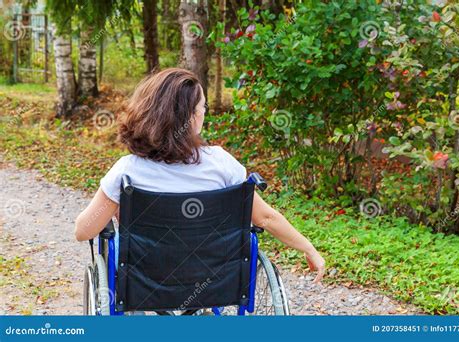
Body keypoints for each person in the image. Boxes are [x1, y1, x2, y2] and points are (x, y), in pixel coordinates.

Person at [74, 68, 325, 283]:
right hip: (214, 278)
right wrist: (308, 247)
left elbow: (84, 231)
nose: (204, 113)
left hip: (145, 280)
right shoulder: (222, 164)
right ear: (191, 117)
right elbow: (266, 218)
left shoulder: (127, 172)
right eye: (202, 107)